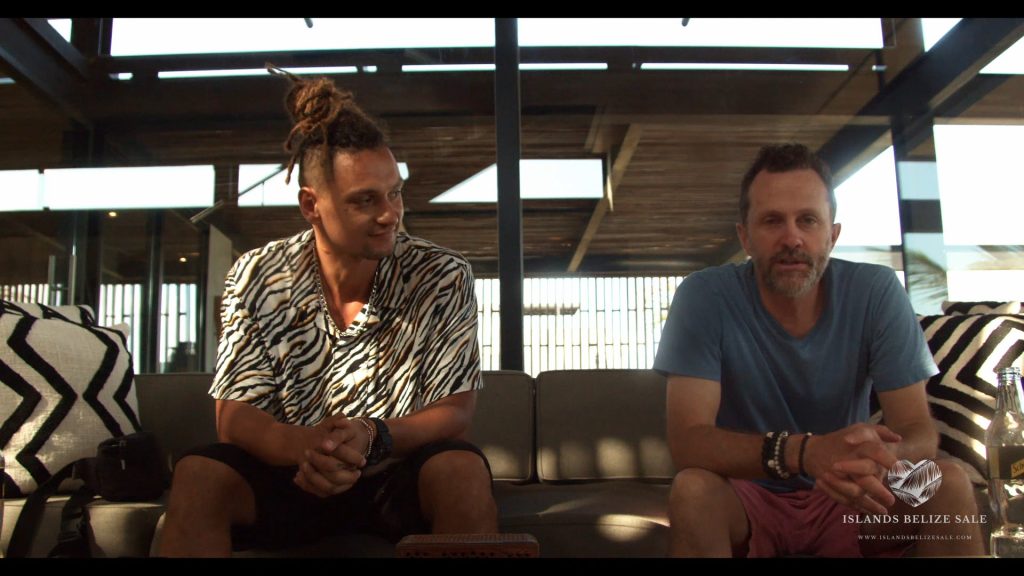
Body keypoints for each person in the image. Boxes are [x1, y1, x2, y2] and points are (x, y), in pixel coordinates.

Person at [158, 68, 497, 557]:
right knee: (199, 474)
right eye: (365, 200)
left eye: (395, 192)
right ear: (311, 205)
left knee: (461, 468)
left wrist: (373, 435)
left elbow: (455, 409)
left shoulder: (440, 274)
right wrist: (308, 448)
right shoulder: (257, 275)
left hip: (394, 473)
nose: (390, 214)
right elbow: (234, 415)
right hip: (290, 476)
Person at [656, 143, 984, 557]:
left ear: (832, 235)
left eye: (808, 220)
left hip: (854, 491)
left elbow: (918, 430)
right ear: (745, 236)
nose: (791, 238)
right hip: (746, 495)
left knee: (947, 482)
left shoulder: (876, 291)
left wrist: (875, 457)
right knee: (692, 490)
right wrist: (805, 453)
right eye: (772, 220)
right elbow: (688, 442)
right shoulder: (705, 295)